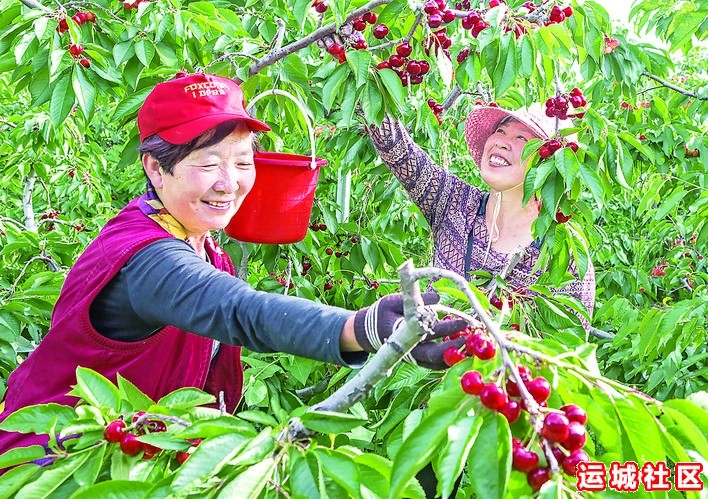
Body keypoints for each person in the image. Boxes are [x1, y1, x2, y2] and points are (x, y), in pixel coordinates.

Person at [0, 73, 467, 455]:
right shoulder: (147, 257)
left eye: (244, 162)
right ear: (155, 169)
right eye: (207, 164)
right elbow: (240, 311)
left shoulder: (199, 242)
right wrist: (363, 328)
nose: (230, 183)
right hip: (59, 463)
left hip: (137, 458)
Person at [368, 106, 595, 327]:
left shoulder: (564, 252)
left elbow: (568, 350)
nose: (502, 142)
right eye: (500, 131)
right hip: (427, 361)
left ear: (547, 162)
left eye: (522, 139)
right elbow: (393, 144)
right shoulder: (454, 203)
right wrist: (370, 74)